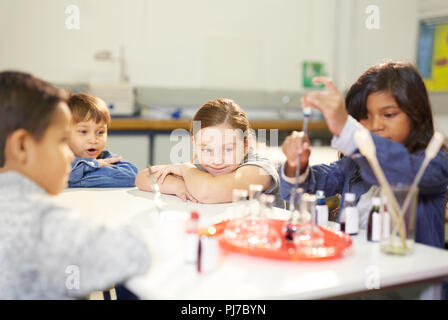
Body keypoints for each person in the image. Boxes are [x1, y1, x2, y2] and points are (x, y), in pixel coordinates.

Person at [0, 71, 150, 299]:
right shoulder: (40, 223)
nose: (70, 156)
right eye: (61, 141)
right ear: (21, 146)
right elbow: (133, 254)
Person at [279, 61, 448, 248]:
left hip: (412, 274)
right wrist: (297, 165)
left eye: (389, 114)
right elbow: (299, 191)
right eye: (365, 117)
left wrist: (347, 129)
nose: (376, 125)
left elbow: (401, 172)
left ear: (416, 115)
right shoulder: (355, 165)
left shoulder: (433, 164)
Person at [135, 98, 282, 206]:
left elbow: (208, 192)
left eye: (228, 149)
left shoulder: (260, 169)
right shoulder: (201, 166)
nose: (217, 160)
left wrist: (186, 171)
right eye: (206, 149)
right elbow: (143, 177)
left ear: (246, 144)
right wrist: (179, 186)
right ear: (195, 144)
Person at [67, 93, 138, 187]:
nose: (93, 140)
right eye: (83, 131)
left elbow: (131, 176)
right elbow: (65, 175)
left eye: (100, 132)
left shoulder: (106, 157)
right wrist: (94, 165)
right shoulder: (55, 160)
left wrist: (79, 177)